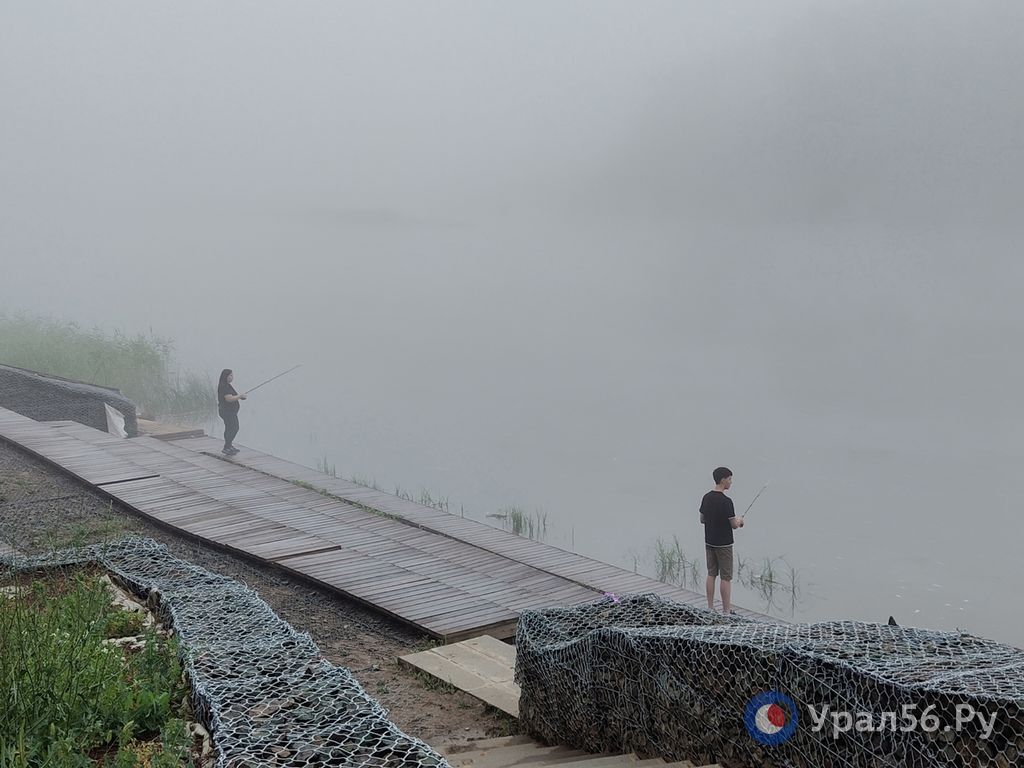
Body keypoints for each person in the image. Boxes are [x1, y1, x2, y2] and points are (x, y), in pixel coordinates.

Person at [700, 466, 744, 614]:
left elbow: (702, 519)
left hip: (709, 541)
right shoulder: (727, 502)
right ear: (723, 479)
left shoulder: (706, 497)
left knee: (711, 574)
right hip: (724, 544)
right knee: (726, 577)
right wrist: (740, 521)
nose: (731, 482)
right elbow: (733, 525)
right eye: (730, 479)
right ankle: (726, 611)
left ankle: (710, 607)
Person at [216, 369, 246, 455]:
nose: (232, 377)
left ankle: (228, 446)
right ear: (225, 376)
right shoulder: (224, 386)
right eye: (230, 375)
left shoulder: (227, 385)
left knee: (229, 428)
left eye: (232, 375)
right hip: (227, 412)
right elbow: (229, 399)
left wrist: (239, 397)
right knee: (234, 428)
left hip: (228, 411)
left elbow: (232, 396)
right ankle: (227, 446)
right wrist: (240, 396)